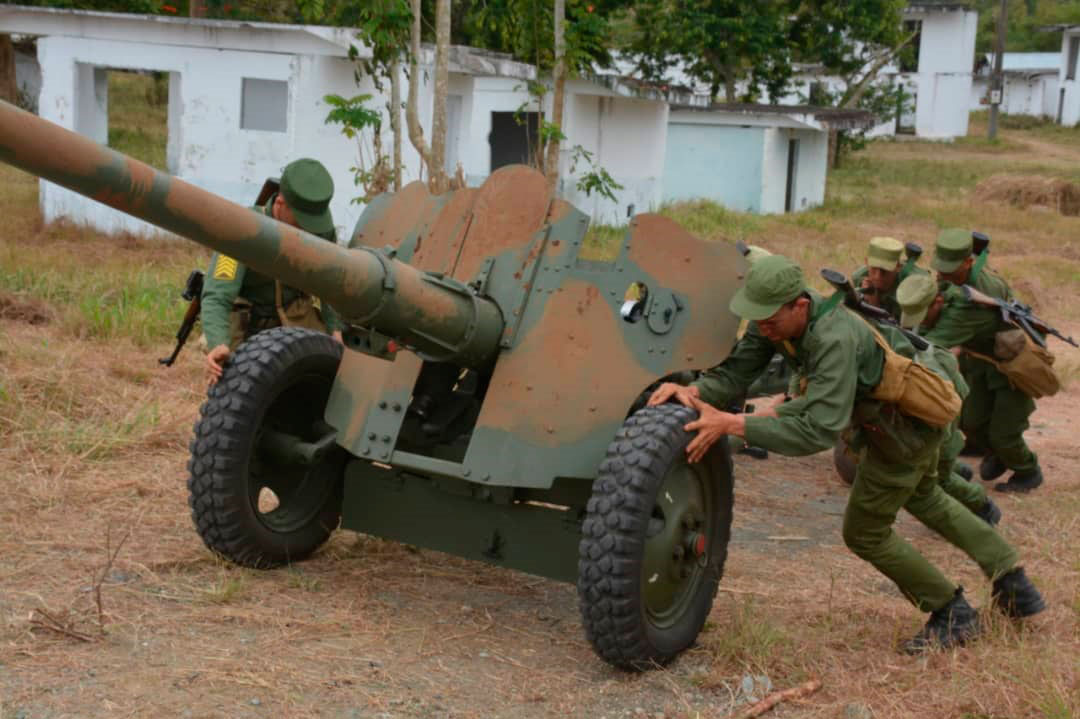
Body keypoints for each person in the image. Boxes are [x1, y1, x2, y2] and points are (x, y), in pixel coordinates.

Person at [648, 254, 1044, 653]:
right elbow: (736, 373)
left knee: (865, 533)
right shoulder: (772, 322)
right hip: (900, 422)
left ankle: (951, 612)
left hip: (906, 428)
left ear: (799, 305)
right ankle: (1011, 578)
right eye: (757, 317)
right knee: (926, 496)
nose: (763, 327)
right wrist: (695, 392)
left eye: (769, 319)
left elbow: (818, 429)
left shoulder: (833, 337)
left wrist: (733, 424)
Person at [899, 265, 1043, 493]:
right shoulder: (943, 297)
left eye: (923, 316)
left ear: (936, 302)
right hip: (982, 364)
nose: (921, 322)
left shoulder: (961, 313)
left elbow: (930, 346)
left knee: (1004, 434)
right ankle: (997, 453)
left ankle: (1027, 470)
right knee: (970, 420)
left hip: (1012, 371)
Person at [200, 158, 343, 384]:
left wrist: (336, 329)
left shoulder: (321, 231)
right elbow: (218, 293)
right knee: (236, 390)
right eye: (301, 220)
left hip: (298, 318)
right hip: (249, 323)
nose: (308, 229)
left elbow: (331, 282)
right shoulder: (243, 227)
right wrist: (219, 342)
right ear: (280, 203)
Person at [894, 274, 1002, 520]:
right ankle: (957, 468)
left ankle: (984, 507)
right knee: (937, 466)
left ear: (937, 303)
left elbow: (949, 397)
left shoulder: (938, 348)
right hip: (943, 410)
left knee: (938, 479)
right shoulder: (928, 315)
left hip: (946, 413)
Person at [852, 236, 927, 319]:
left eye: (884, 271)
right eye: (873, 268)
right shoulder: (859, 277)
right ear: (866, 262)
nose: (877, 276)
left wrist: (874, 304)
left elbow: (900, 329)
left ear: (898, 267)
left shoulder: (910, 289)